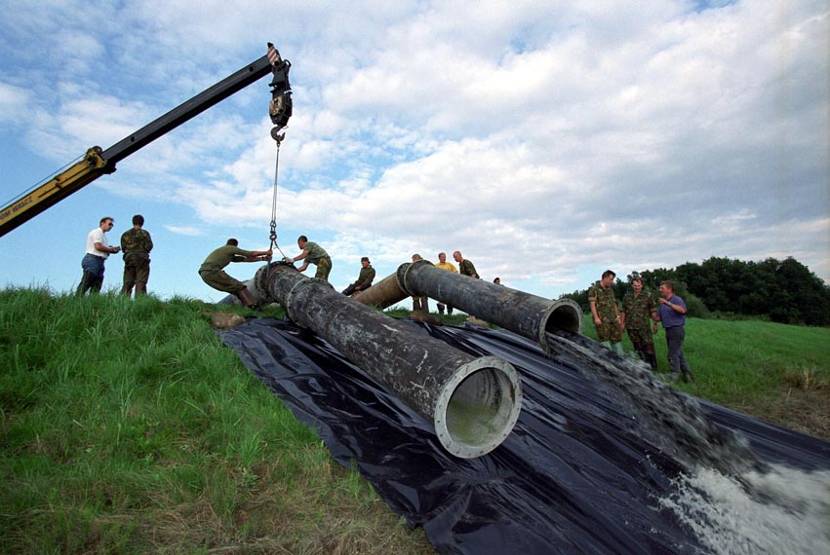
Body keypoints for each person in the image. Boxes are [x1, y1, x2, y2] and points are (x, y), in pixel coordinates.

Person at [199, 238, 271, 307]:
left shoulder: (224, 252)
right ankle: (253, 306)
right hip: (212, 271)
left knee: (235, 290)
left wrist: (262, 258)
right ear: (235, 245)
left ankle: (247, 306)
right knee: (240, 286)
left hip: (204, 274)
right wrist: (266, 252)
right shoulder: (230, 248)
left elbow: (245, 259)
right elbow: (251, 254)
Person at [656, 280, 694, 382]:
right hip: (668, 330)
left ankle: (674, 374)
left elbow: (682, 310)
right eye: (660, 288)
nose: (660, 290)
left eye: (662, 288)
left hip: (677, 330)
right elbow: (658, 318)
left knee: (672, 353)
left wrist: (668, 303)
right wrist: (651, 313)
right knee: (678, 353)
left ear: (669, 289)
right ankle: (688, 375)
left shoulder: (676, 299)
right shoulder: (662, 303)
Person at [621, 275, 658, 369]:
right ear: (632, 286)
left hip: (644, 327)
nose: (636, 287)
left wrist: (655, 323)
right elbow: (623, 311)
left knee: (648, 346)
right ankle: (643, 365)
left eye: (638, 285)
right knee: (637, 346)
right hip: (631, 326)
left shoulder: (648, 295)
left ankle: (653, 366)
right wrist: (622, 323)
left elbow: (653, 310)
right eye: (634, 285)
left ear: (642, 285)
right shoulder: (627, 296)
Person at [76, 216, 120, 295]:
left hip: (99, 261)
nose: (111, 226)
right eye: (109, 224)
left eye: (112, 225)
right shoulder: (97, 232)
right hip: (93, 259)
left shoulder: (103, 236)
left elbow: (102, 247)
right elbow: (98, 246)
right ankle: (76, 300)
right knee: (87, 282)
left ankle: (92, 303)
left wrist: (111, 249)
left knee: (96, 285)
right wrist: (111, 250)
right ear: (102, 223)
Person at [588, 270, 624, 356]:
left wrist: (618, 316)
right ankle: (609, 360)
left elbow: (614, 304)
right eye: (611, 279)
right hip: (602, 321)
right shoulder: (594, 290)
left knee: (617, 339)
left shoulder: (610, 290)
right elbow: (592, 305)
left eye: (612, 280)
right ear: (604, 278)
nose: (612, 282)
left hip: (613, 319)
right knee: (605, 340)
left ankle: (621, 359)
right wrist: (596, 318)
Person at [120, 214, 153, 298]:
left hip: (129, 259)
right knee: (141, 281)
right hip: (142, 258)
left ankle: (123, 300)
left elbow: (123, 248)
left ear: (133, 222)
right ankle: (140, 300)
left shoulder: (125, 234)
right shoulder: (145, 233)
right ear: (142, 223)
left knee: (128, 281)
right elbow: (149, 246)